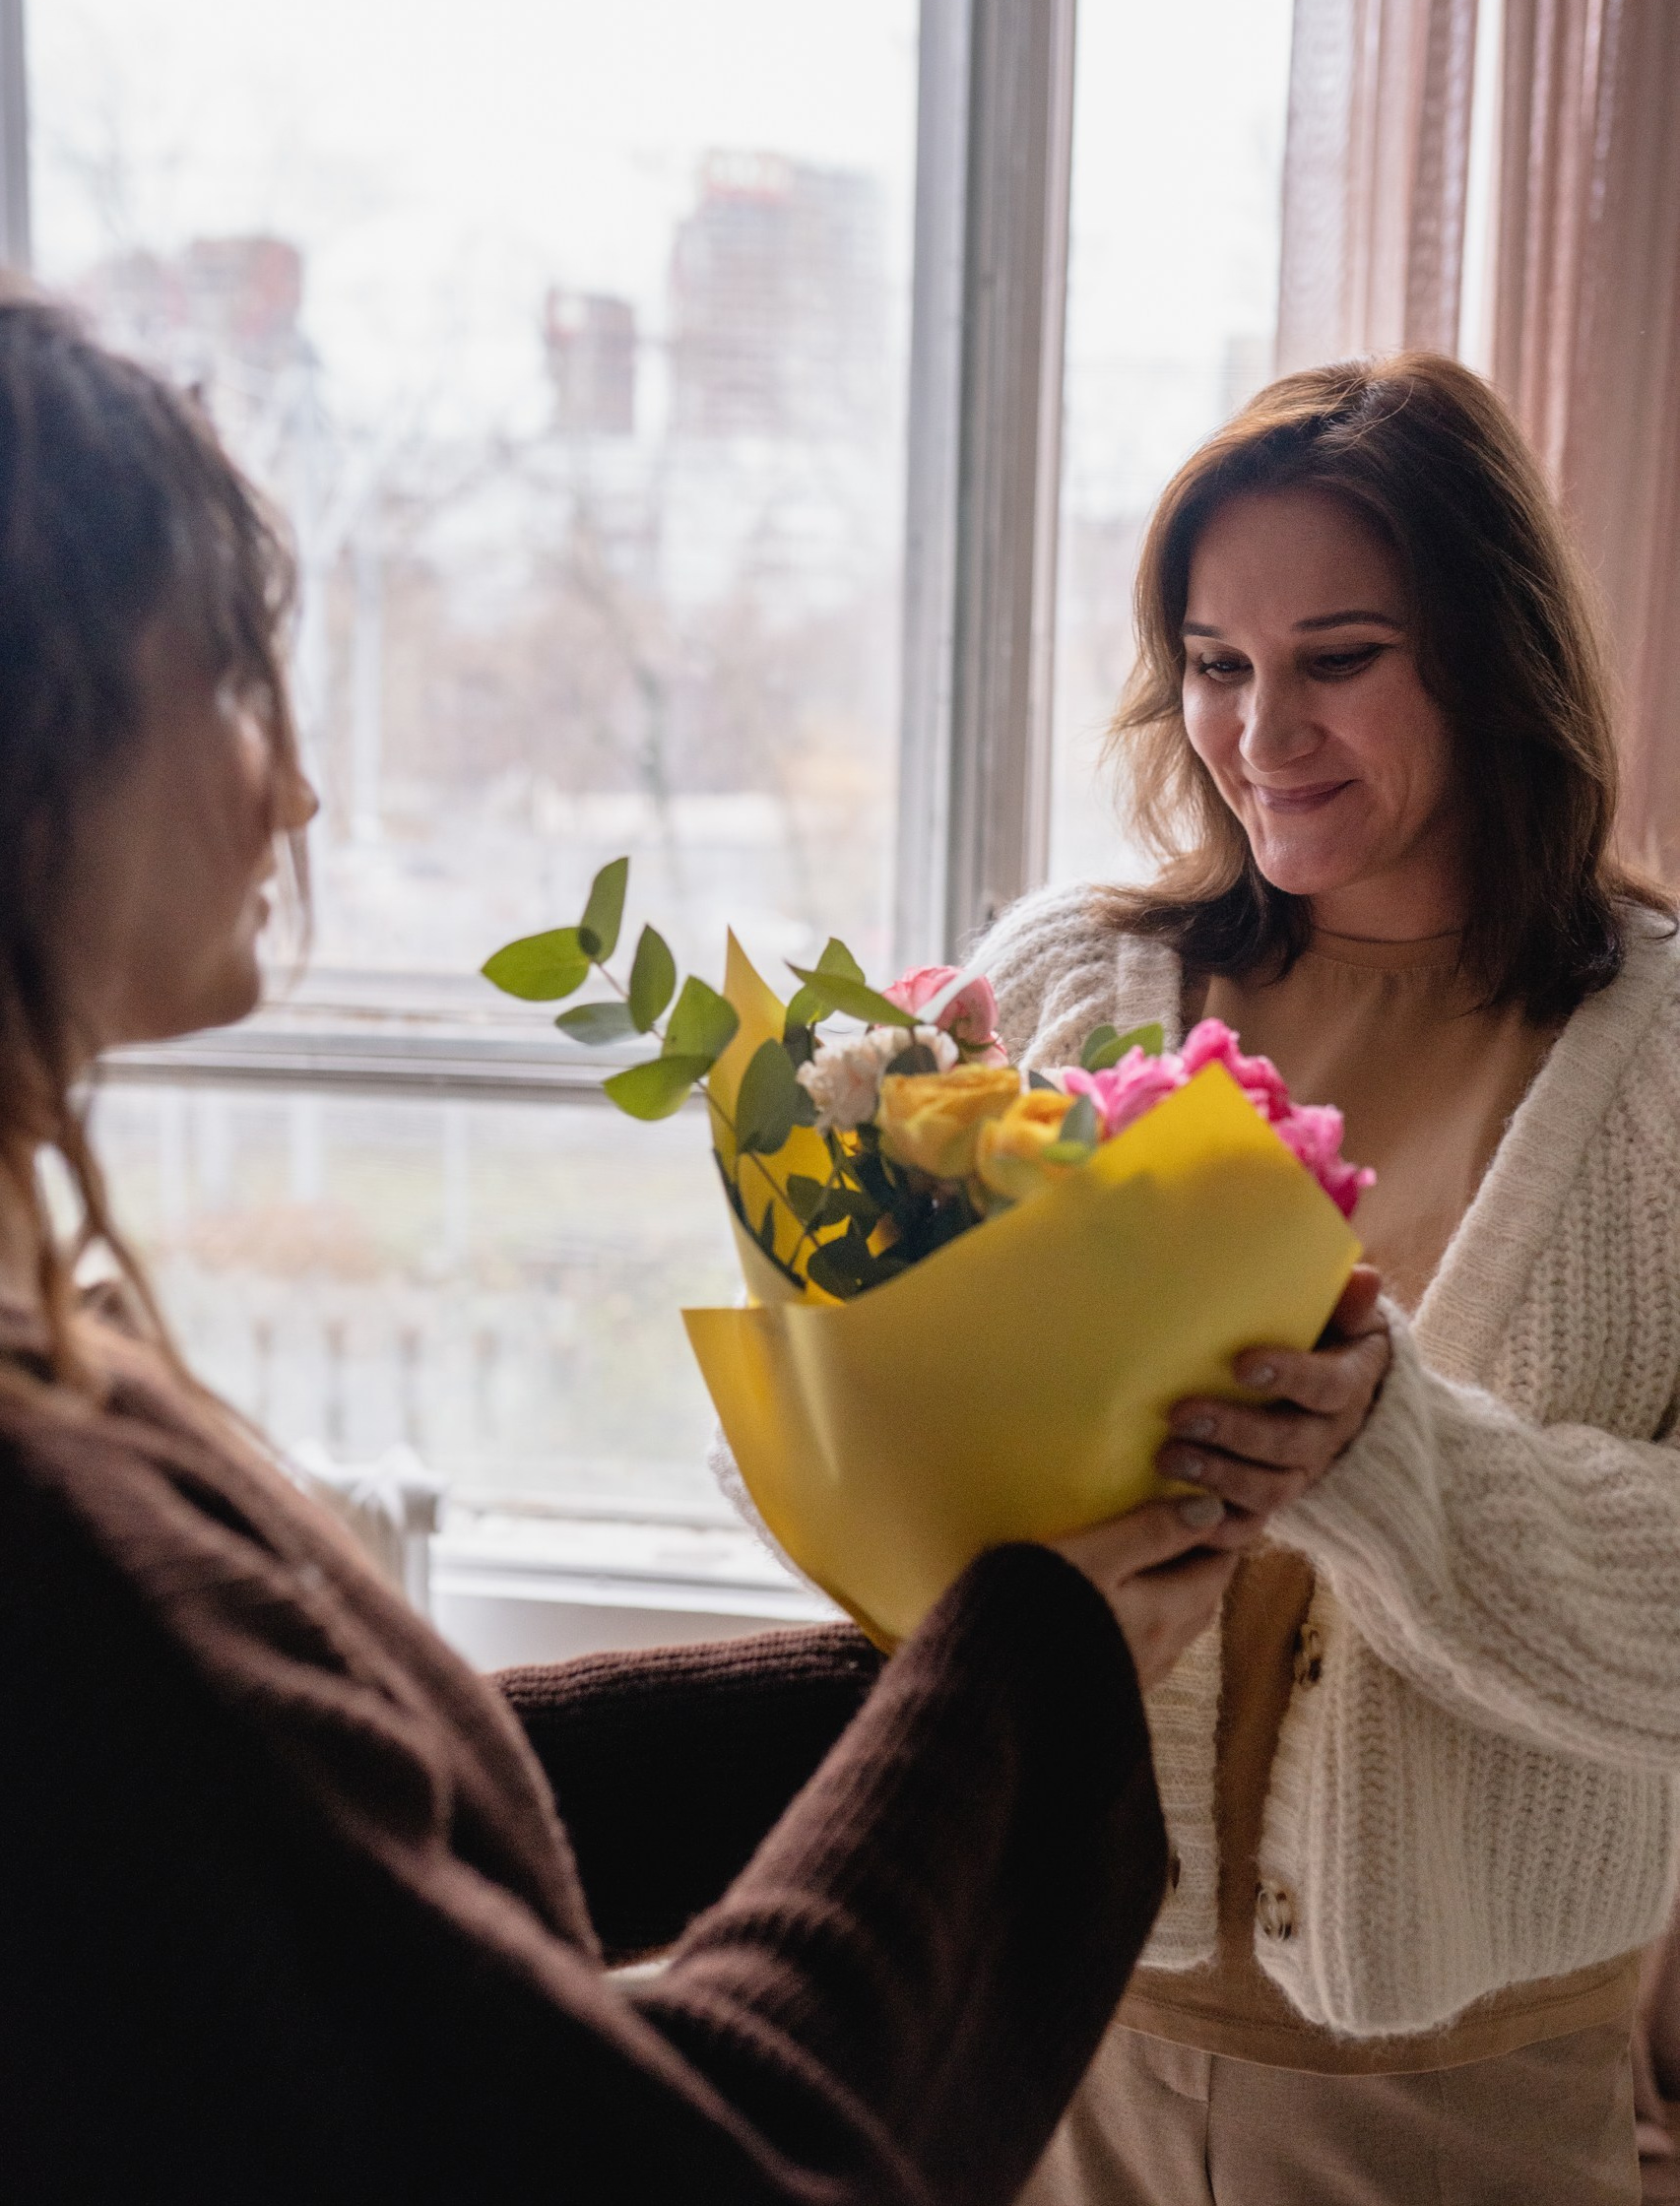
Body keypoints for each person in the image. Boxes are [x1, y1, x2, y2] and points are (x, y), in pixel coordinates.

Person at [0, 288, 1350, 2205]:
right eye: (227, 680)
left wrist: (952, 1665)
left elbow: (348, 1835)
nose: (294, 787)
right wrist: (1029, 1667)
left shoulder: (55, 1375)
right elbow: (678, 2157)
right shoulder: (50, 1525)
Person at [975, 351, 1680, 2205]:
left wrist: (1387, 1460)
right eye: (1215, 664)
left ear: (1492, 656)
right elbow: (849, 1474)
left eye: (1337, 658)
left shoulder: (1662, 1068)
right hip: (1052, 2030)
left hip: (1462, 2095)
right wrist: (846, 1250)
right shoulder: (1059, 989)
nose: (1259, 730)